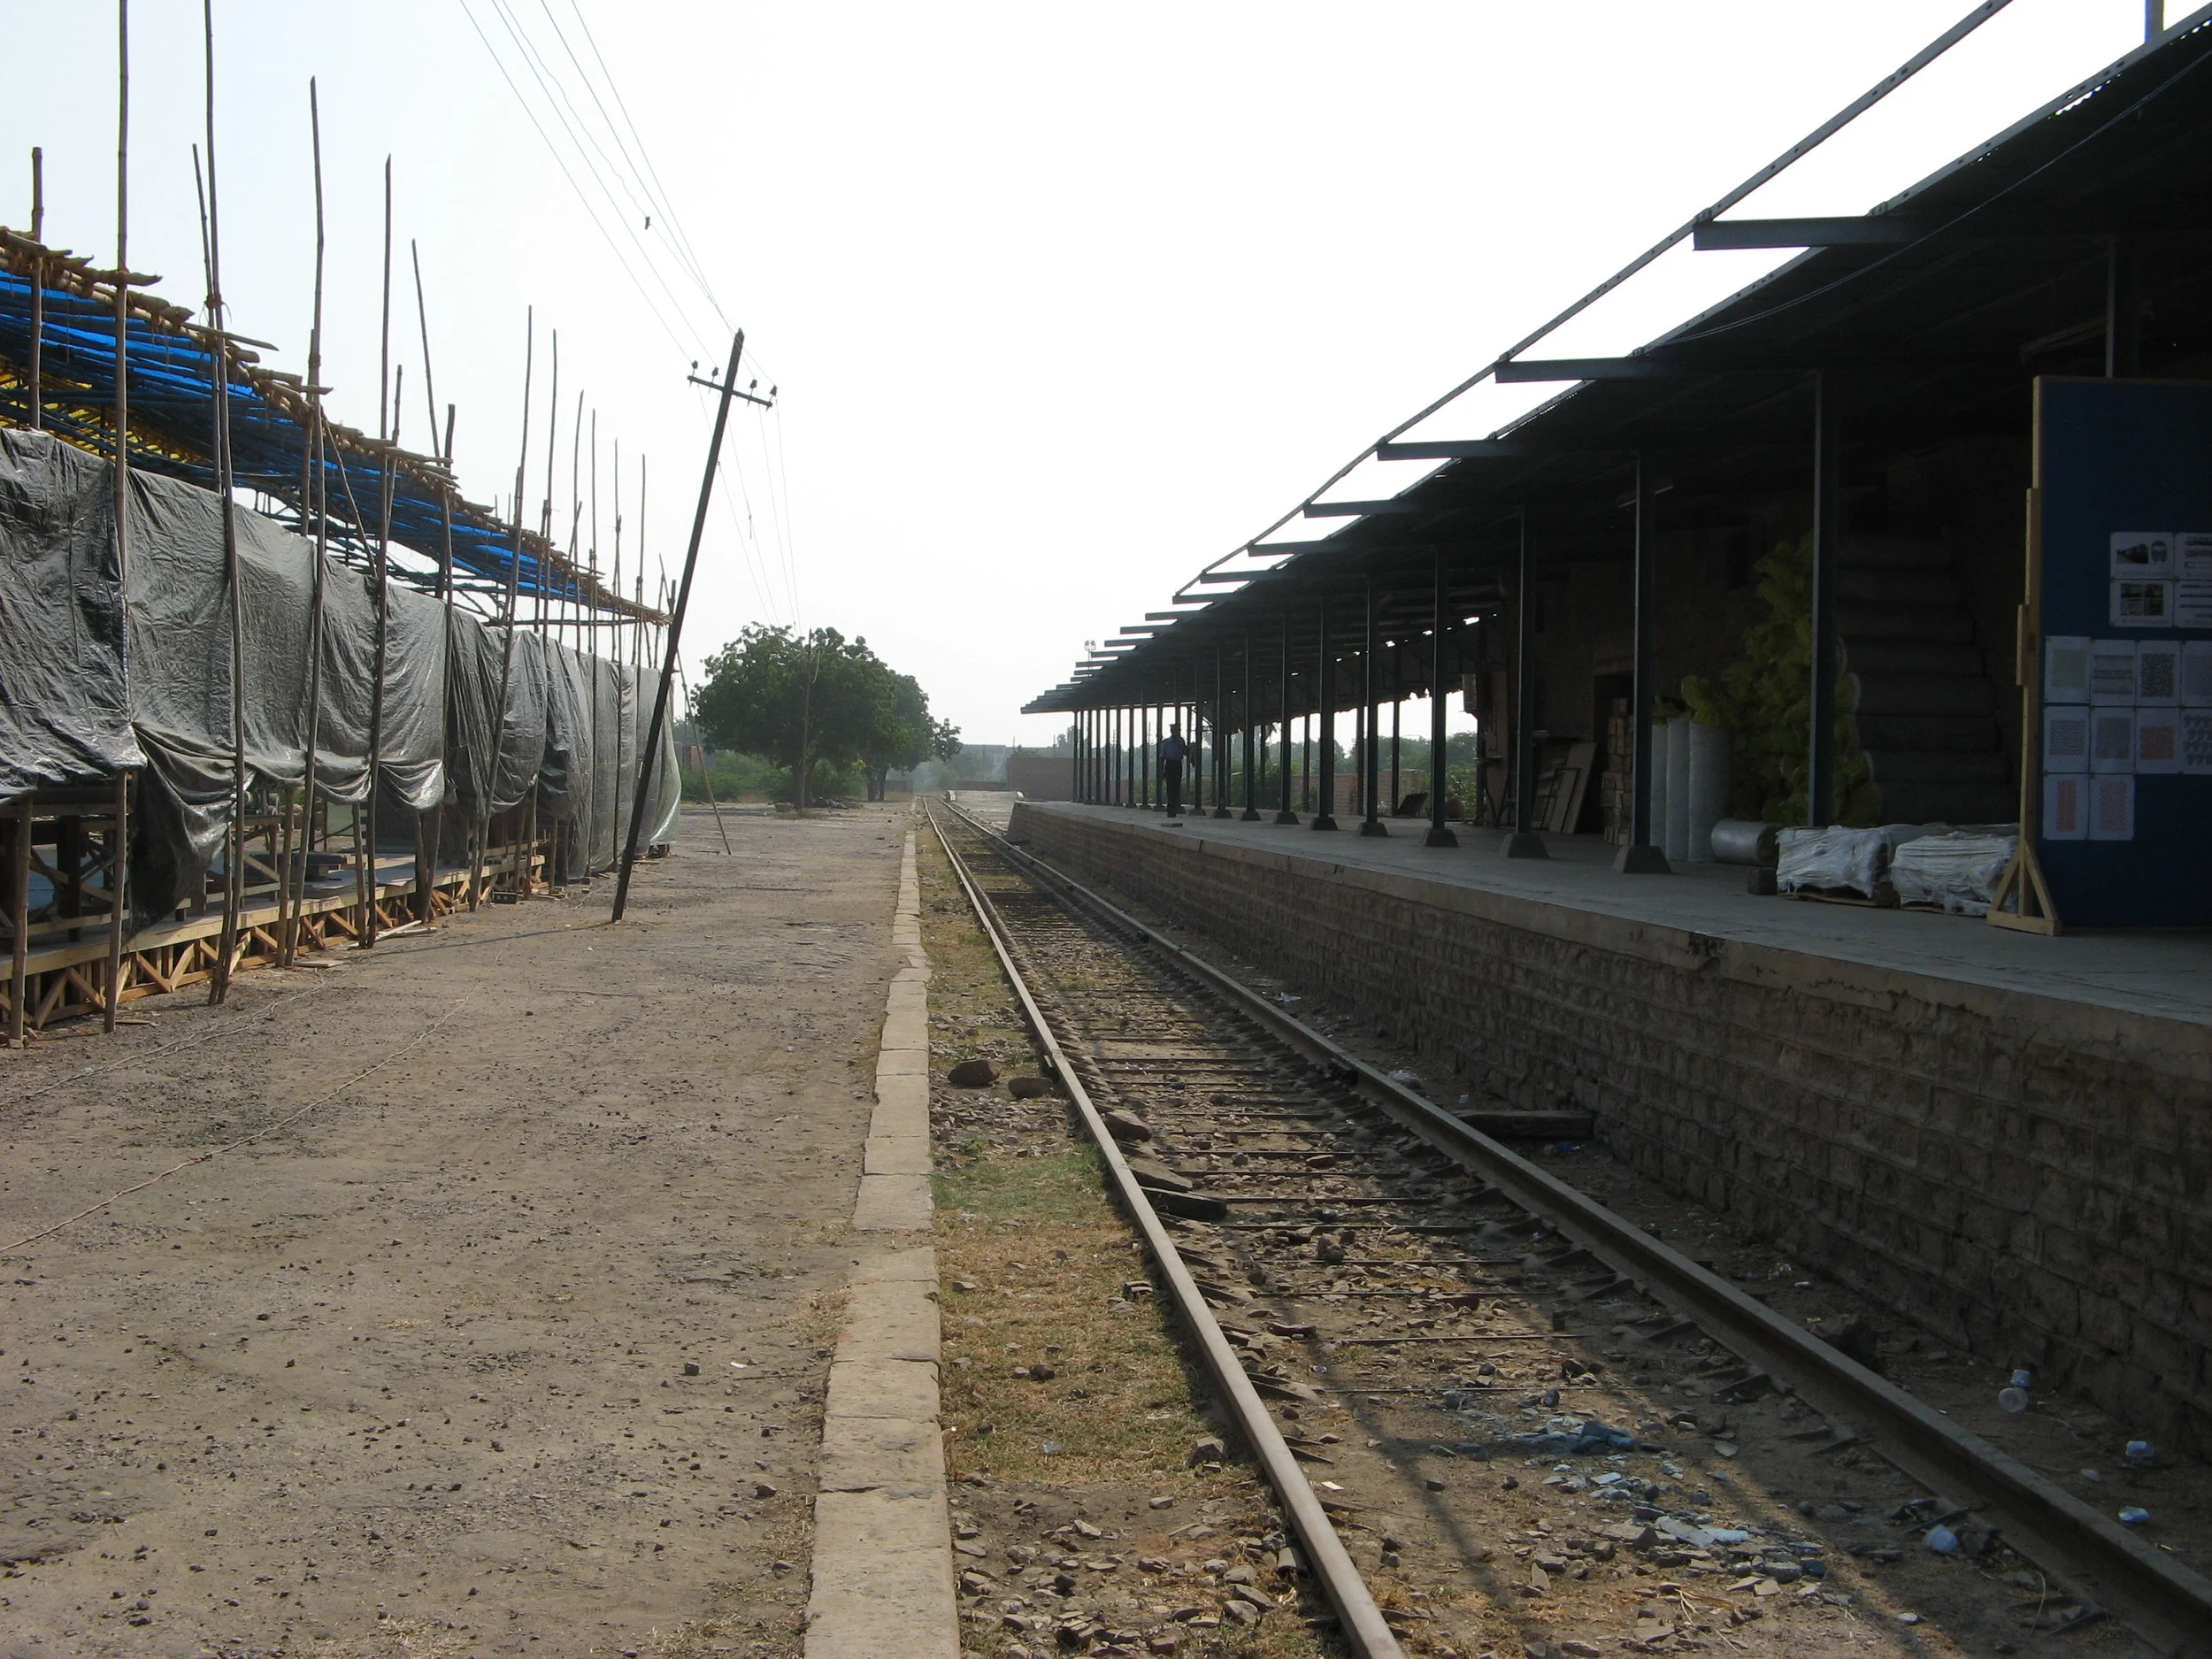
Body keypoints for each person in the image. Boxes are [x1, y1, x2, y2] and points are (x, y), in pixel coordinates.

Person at [1158, 724, 1187, 818]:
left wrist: (1184, 747)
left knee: (1176, 787)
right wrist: (1161, 771)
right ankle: (1171, 808)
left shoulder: (1181, 741)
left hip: (1177, 764)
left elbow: (1185, 753)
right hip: (1170, 764)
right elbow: (1162, 757)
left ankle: (1173, 807)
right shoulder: (1166, 742)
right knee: (1170, 787)